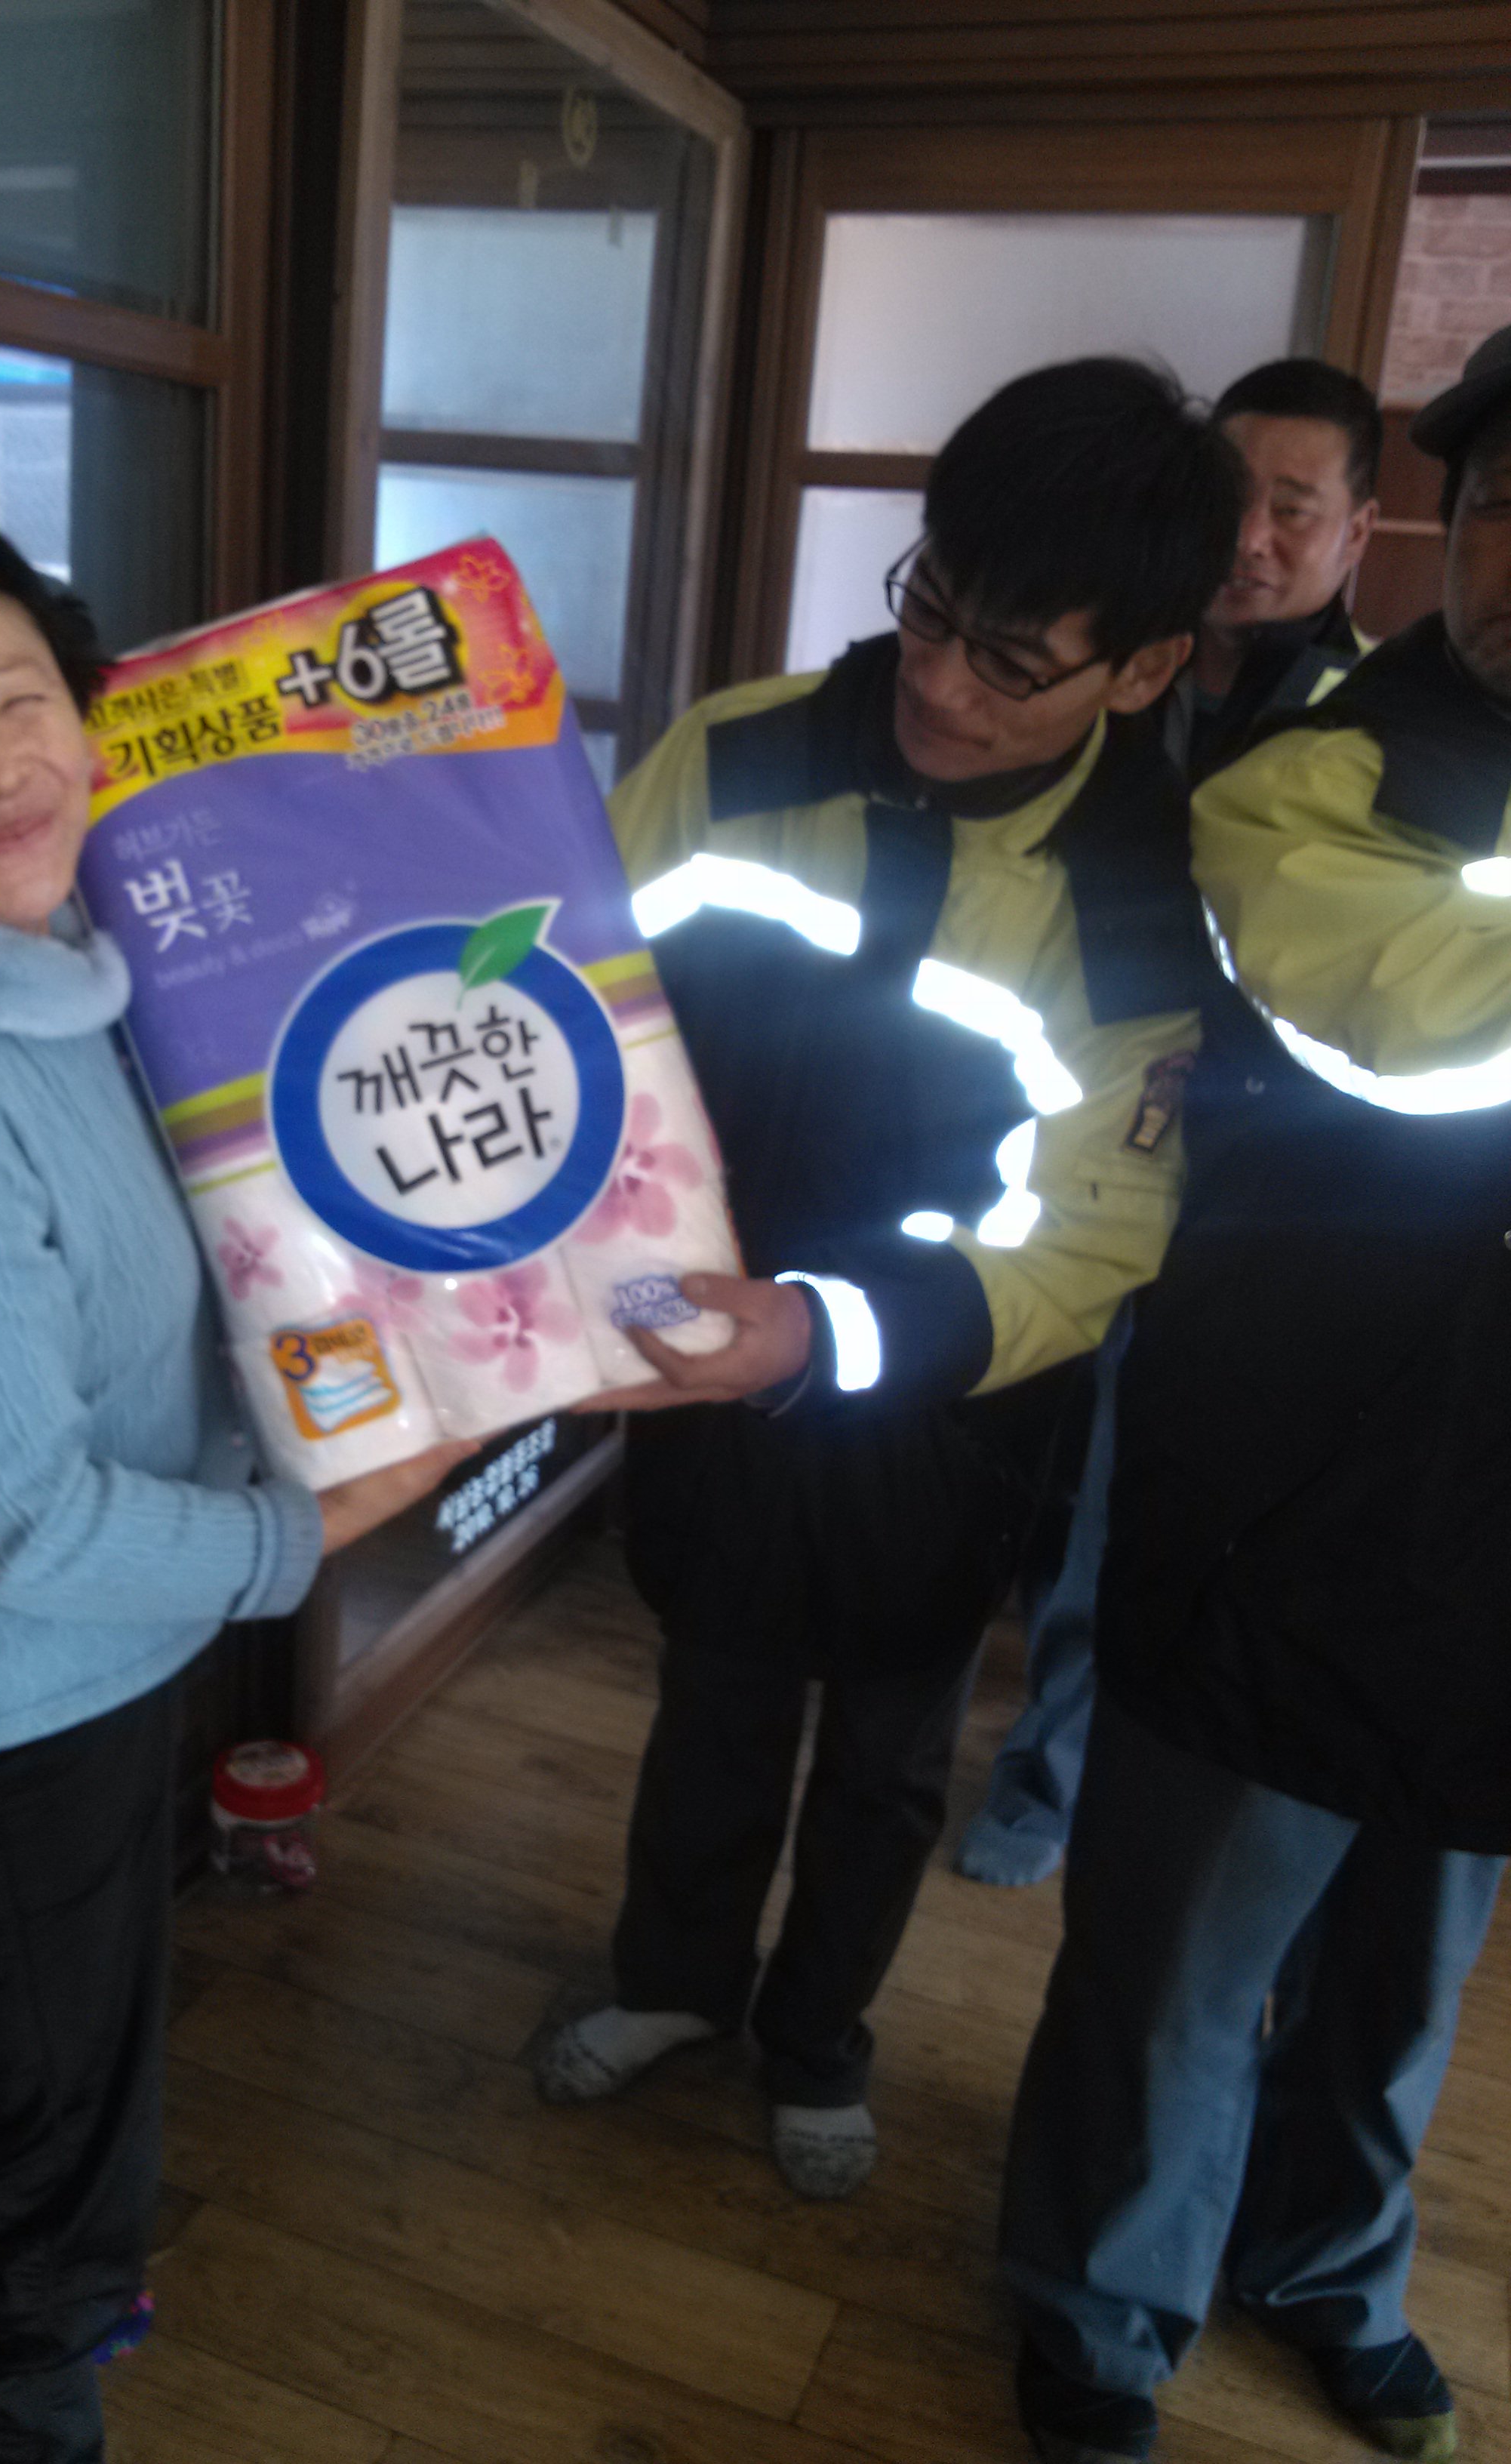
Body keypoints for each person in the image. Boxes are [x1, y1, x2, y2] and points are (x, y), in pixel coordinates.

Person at [0, 496, 465, 2464]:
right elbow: (24, 1526)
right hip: (6, 1690)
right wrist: (314, 1529)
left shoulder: (51, 965)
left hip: (98, 1650)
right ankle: (20, 2390)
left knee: (61, 2046)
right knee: (63, 2108)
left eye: (21, 696)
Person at [537, 359, 1242, 2200]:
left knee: (888, 1758)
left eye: (1014, 659)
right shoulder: (738, 753)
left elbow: (1097, 1228)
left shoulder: (1140, 901)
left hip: (947, 1406)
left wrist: (824, 1331)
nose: (941, 682)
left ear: (1146, 669)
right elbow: (576, 1004)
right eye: (932, 606)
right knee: (711, 1700)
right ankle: (673, 1982)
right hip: (703, 1353)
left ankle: (817, 2041)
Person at [998, 330, 1511, 2464]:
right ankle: (1097, 2317)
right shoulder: (1318, 773)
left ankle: (1326, 2268)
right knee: (1180, 1960)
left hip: (1496, 1525)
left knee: (1406, 1969)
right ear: (1442, 537)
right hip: (1287, 1484)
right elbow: (1413, 1014)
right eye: (1504, 512)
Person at [957, 356, 1383, 1890]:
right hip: (1044, 1124)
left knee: (1120, 1485)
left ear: (1357, 532)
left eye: (1295, 509)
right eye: (1233, 498)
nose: (1251, 540)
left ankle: (1049, 1774)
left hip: (1243, 1185)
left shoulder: (1376, 721)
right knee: (1009, 1422)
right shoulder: (1110, 658)